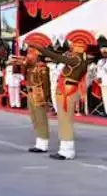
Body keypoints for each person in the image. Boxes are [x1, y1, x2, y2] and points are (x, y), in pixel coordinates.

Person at [34, 31, 94, 160]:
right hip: (66, 90)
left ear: (78, 47)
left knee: (65, 121)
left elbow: (59, 58)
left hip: (68, 92)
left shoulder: (76, 60)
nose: (71, 47)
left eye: (73, 45)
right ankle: (65, 148)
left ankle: (67, 150)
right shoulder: (79, 60)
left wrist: (42, 49)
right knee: (63, 121)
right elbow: (61, 57)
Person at [9, 47, 51, 153]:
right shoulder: (29, 67)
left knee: (41, 118)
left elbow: (46, 85)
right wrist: (18, 62)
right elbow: (17, 72)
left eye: (30, 54)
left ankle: (43, 143)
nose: (28, 56)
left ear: (36, 55)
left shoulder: (42, 67)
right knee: (34, 118)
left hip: (39, 94)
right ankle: (39, 141)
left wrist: (46, 97)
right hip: (30, 93)